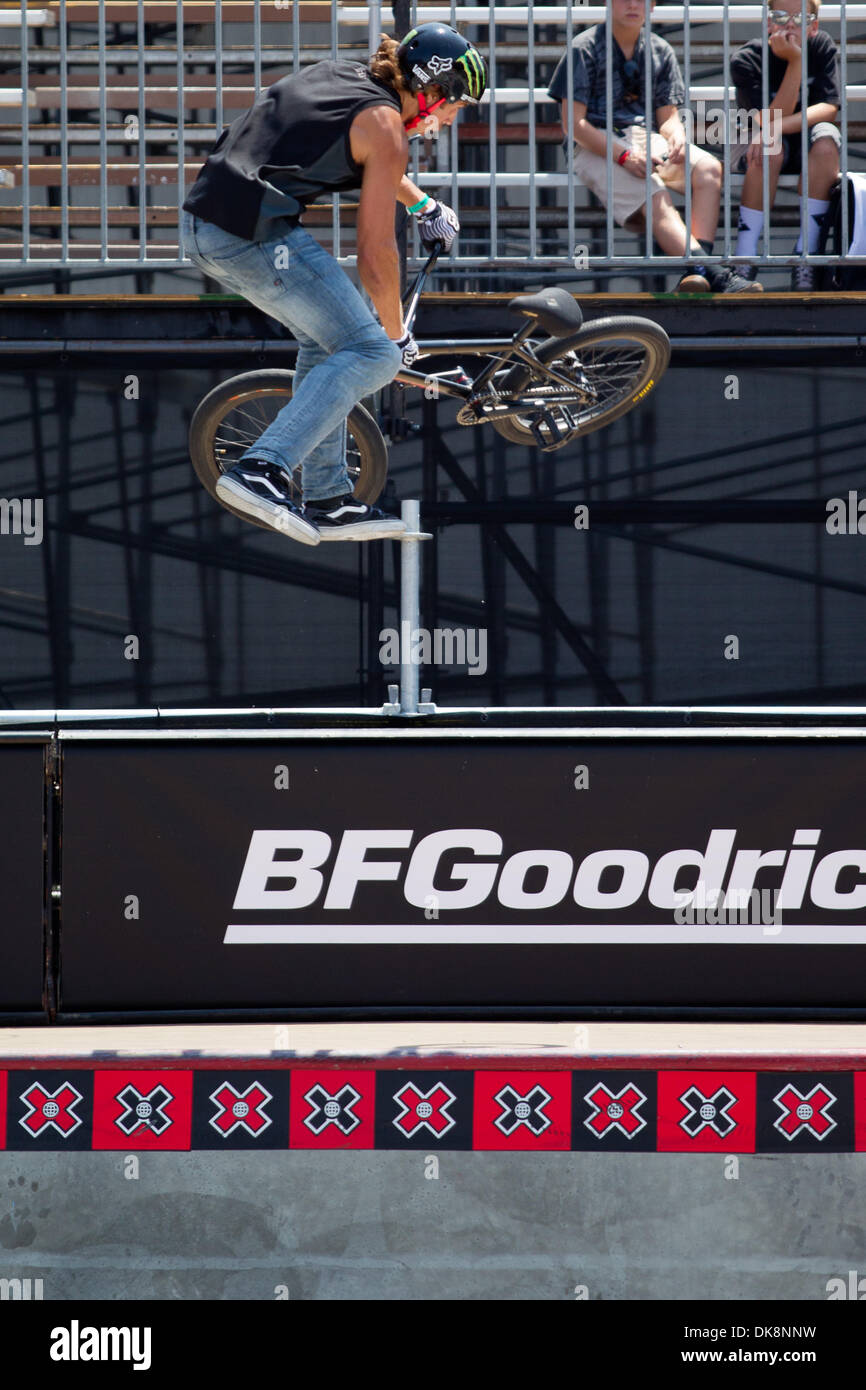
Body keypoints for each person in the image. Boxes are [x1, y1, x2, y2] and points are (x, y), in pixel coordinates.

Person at [181, 24, 487, 545]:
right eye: (456, 105)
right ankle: (261, 468)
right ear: (433, 90)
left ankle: (326, 498)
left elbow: (370, 151)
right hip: (246, 236)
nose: (452, 119)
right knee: (372, 353)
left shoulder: (353, 78)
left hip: (211, 223)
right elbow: (376, 253)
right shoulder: (388, 126)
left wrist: (421, 204)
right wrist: (393, 335)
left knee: (329, 345)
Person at [549, 0, 761, 293]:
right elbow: (573, 125)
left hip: (644, 139)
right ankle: (719, 277)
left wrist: (676, 136)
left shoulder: (660, 49)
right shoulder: (582, 48)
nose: (633, 4)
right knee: (654, 192)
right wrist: (623, 155)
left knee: (709, 168)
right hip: (592, 146)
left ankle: (697, 273)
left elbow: (668, 117)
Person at [730, 0, 841, 290]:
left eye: (802, 17)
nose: (790, 23)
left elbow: (828, 108)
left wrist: (776, 126)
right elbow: (765, 121)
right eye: (780, 15)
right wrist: (795, 62)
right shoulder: (747, 58)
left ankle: (807, 255)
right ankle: (744, 258)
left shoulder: (822, 46)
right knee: (769, 147)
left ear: (814, 26)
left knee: (827, 143)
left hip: (805, 143)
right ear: (768, 23)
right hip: (762, 146)